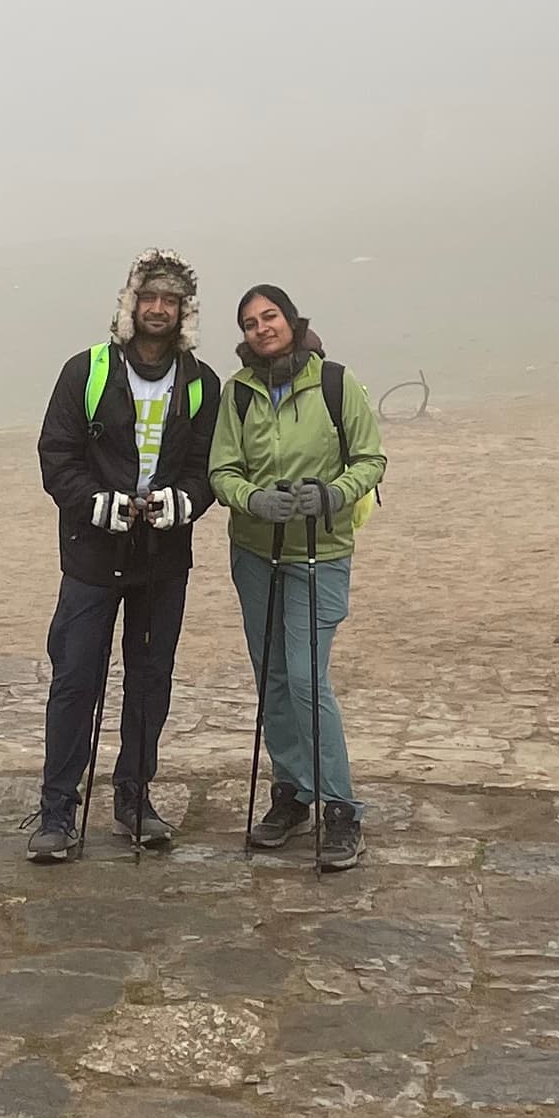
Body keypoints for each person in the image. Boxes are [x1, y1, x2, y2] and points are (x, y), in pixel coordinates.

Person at [28, 251, 223, 863]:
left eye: (171, 300)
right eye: (149, 297)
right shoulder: (85, 371)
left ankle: (134, 802)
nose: (158, 309)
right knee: (75, 681)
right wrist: (96, 503)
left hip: (162, 558)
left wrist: (182, 503)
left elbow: (208, 467)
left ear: (185, 311)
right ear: (130, 304)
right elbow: (56, 454)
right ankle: (57, 813)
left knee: (150, 682)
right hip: (91, 557)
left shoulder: (202, 383)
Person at [214, 282, 385, 871]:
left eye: (270, 316)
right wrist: (254, 500)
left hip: (321, 550)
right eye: (250, 322)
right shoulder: (238, 392)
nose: (262, 328)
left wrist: (333, 493)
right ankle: (292, 793)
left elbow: (371, 459)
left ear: (292, 320)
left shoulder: (336, 383)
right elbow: (222, 470)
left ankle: (342, 808)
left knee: (308, 678)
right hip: (255, 552)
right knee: (274, 680)